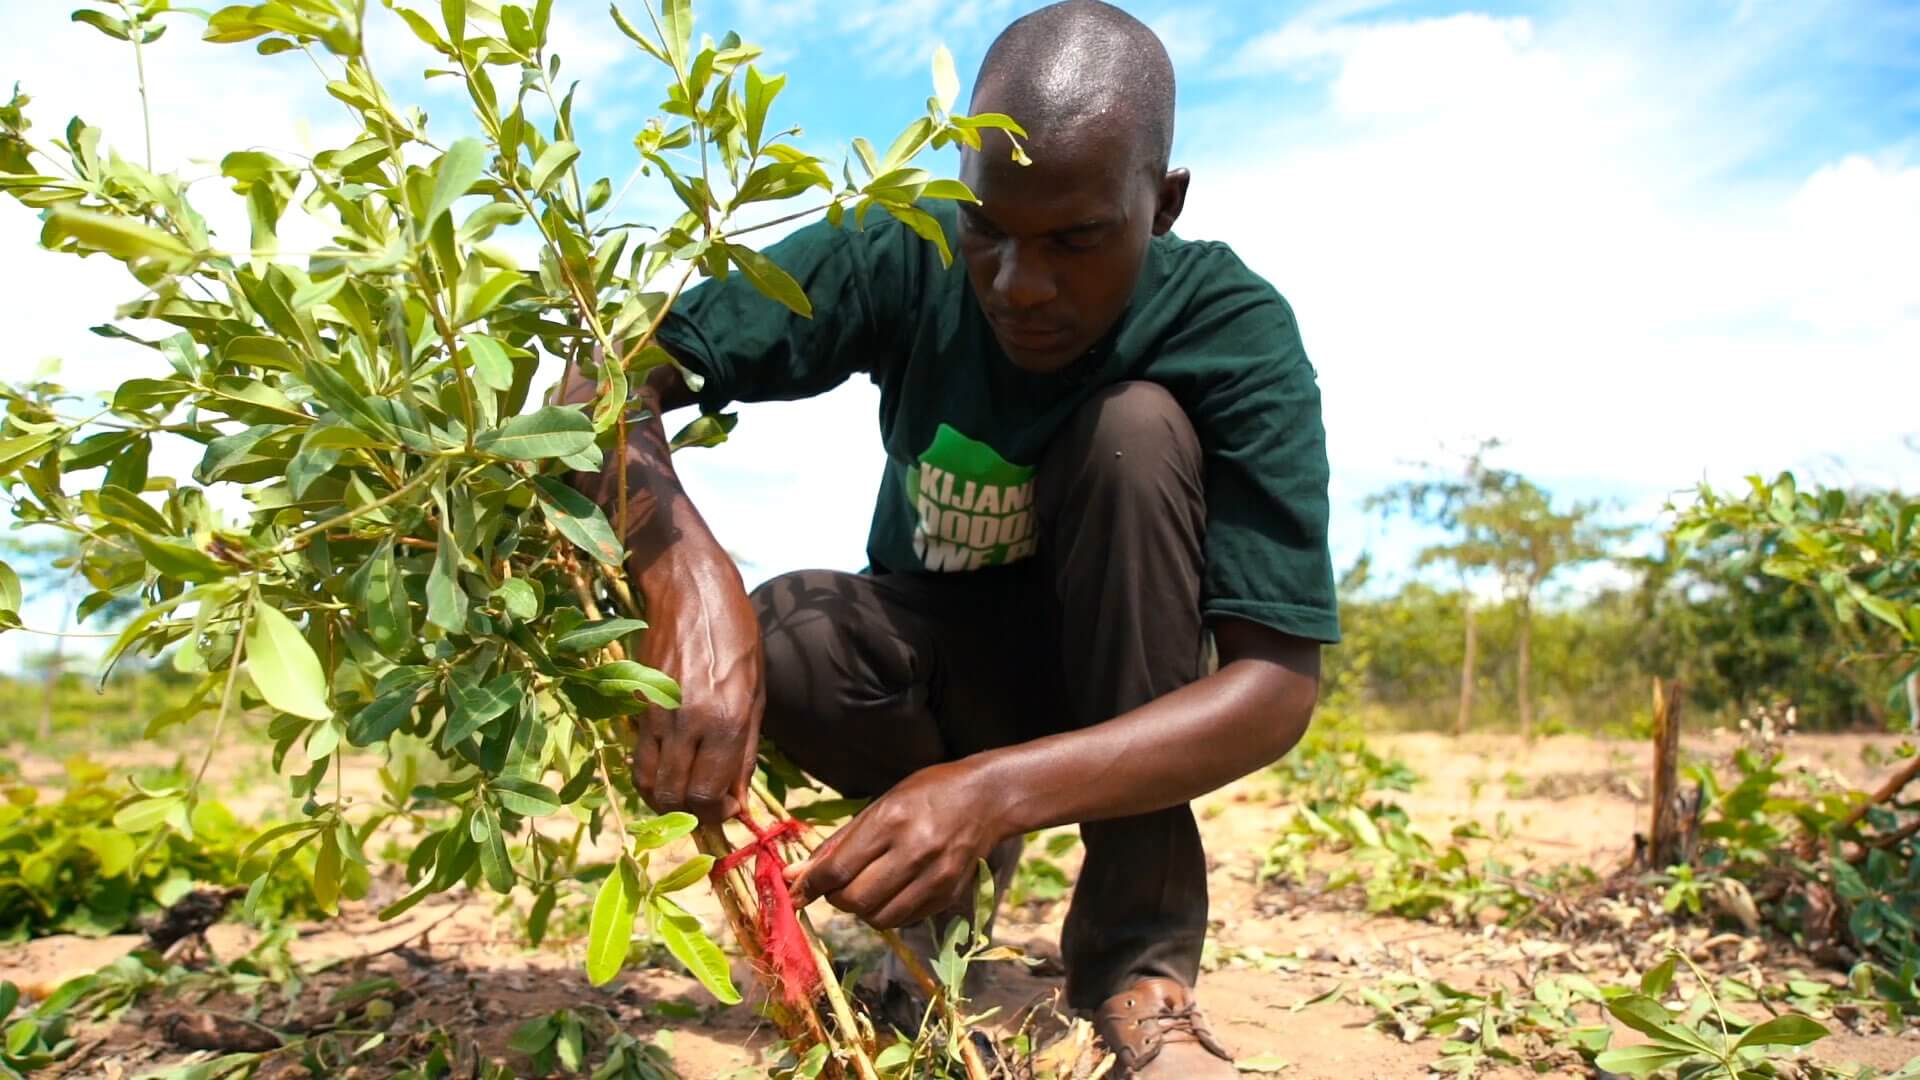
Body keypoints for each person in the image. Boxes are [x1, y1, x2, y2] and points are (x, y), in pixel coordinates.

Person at [561, 2, 1337, 1074]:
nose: (1018, 285)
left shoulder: (1232, 329)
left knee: (1134, 433)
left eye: (1074, 239)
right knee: (785, 629)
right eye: (989, 230)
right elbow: (605, 375)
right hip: (938, 671)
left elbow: (1275, 687)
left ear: (1161, 206)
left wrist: (996, 791)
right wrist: (682, 572)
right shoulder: (912, 247)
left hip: (1117, 683)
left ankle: (1137, 966)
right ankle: (938, 897)